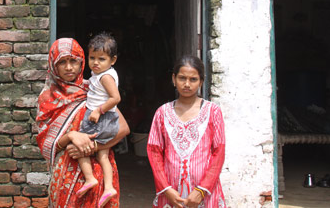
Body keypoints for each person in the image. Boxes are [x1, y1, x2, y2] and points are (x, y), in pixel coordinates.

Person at [36, 38, 130, 208]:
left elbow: (123, 129)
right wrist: (71, 136)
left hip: (99, 174)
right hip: (65, 178)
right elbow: (47, 145)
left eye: (74, 61)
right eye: (62, 62)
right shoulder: (46, 99)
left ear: (81, 63)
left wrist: (93, 147)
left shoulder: (94, 91)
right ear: (53, 65)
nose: (69, 67)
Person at [147, 55, 226, 208]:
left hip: (204, 195)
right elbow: (154, 152)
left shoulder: (213, 111)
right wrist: (166, 189)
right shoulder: (162, 113)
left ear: (201, 81)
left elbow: (219, 152)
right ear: (173, 79)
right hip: (171, 194)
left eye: (193, 79)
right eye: (182, 78)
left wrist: (201, 191)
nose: (187, 84)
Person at [76, 32, 121, 206]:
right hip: (106, 119)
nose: (95, 62)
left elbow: (115, 98)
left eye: (101, 59)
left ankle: (89, 179)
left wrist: (98, 111)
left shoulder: (106, 77)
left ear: (113, 60)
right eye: (92, 57)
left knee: (80, 148)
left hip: (101, 118)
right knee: (103, 154)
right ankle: (108, 187)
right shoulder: (100, 75)